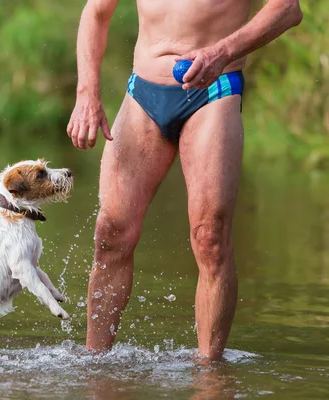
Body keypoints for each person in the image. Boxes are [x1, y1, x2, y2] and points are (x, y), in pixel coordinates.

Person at [67, 0, 302, 360]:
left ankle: (210, 374)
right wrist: (87, 92)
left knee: (211, 238)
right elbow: (95, 12)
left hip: (215, 87)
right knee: (111, 233)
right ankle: (95, 365)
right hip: (143, 92)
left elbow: (287, 9)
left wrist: (222, 51)